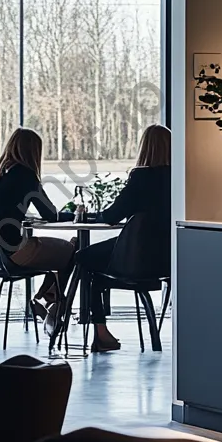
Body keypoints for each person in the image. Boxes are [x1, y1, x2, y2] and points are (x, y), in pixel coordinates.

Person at [76, 124, 171, 353]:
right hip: (167, 261)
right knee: (95, 271)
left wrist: (90, 215)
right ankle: (62, 309)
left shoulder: (141, 176)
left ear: (144, 147)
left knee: (82, 257)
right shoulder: (181, 178)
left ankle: (98, 331)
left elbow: (112, 216)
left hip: (136, 258)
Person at [0, 128, 75, 338]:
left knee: (71, 247)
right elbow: (51, 215)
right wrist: (77, 215)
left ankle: (49, 296)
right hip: (18, 252)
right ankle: (53, 302)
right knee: (76, 248)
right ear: (33, 152)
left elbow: (3, 211)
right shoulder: (25, 175)